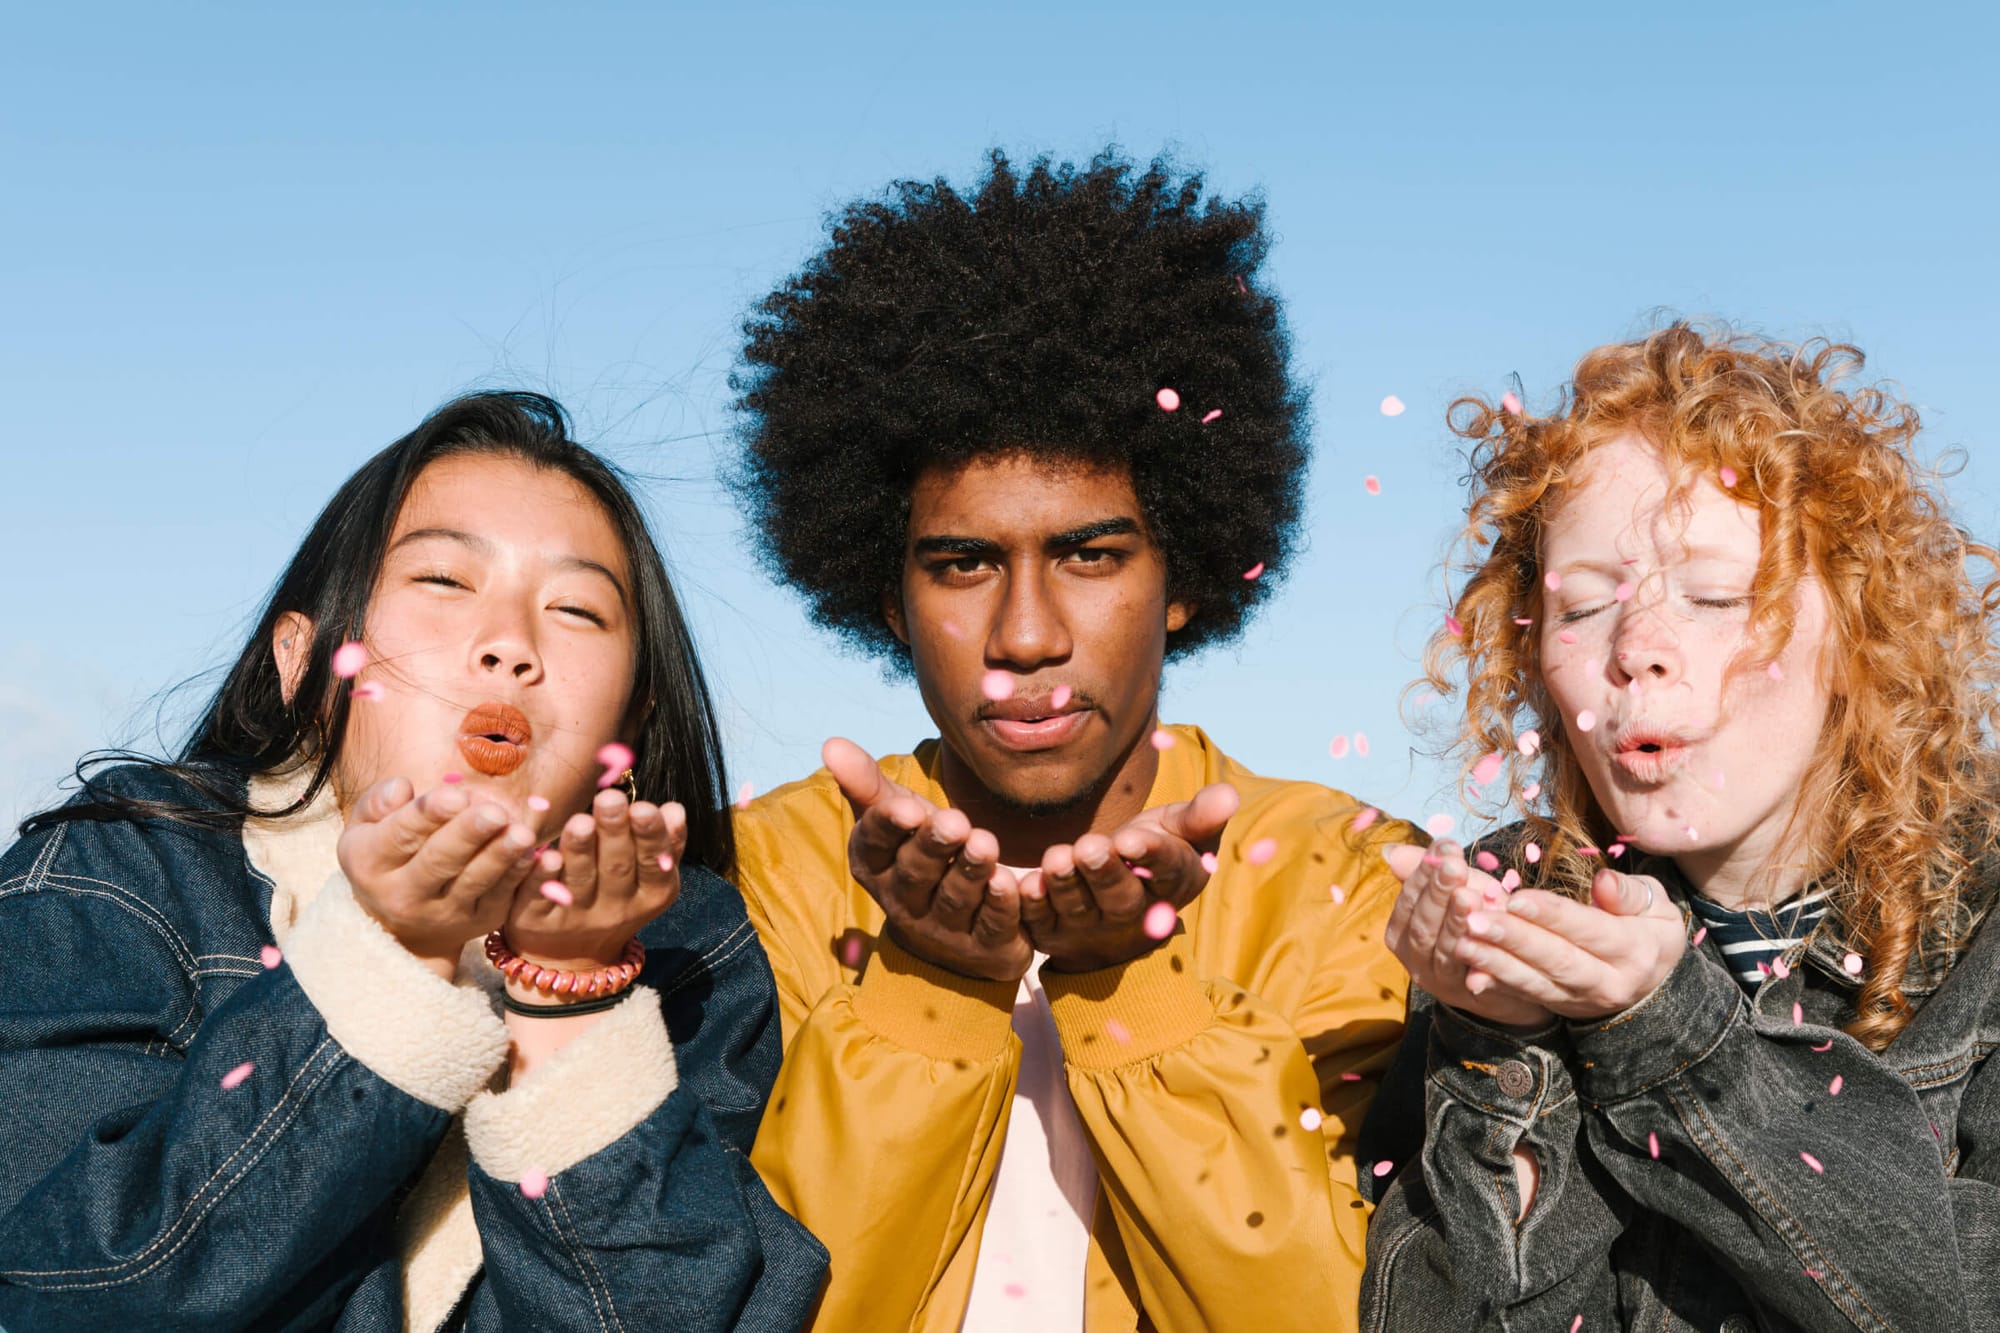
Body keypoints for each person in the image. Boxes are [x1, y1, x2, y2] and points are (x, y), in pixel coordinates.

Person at [726, 148, 1415, 1333]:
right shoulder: (776, 873)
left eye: (1090, 555)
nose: (1026, 634)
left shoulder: (1340, 878)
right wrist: (932, 983)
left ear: (1183, 577)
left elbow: (1322, 1308)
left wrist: (1125, 985)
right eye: (961, 563)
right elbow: (764, 1309)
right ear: (886, 597)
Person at [0, 392, 826, 1331]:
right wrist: (393, 958)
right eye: (442, 580)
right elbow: (58, 1286)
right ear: (304, 664)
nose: (511, 645)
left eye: (576, 608)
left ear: (628, 723)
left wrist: (571, 1004)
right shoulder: (123, 871)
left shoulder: (687, 951)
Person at [1358, 324, 2000, 1332]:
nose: (1635, 650)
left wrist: (1662, 1030)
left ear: (1860, 626)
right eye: (1577, 609)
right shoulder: (1520, 907)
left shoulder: (1986, 927)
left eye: (1712, 596)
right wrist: (1499, 1043)